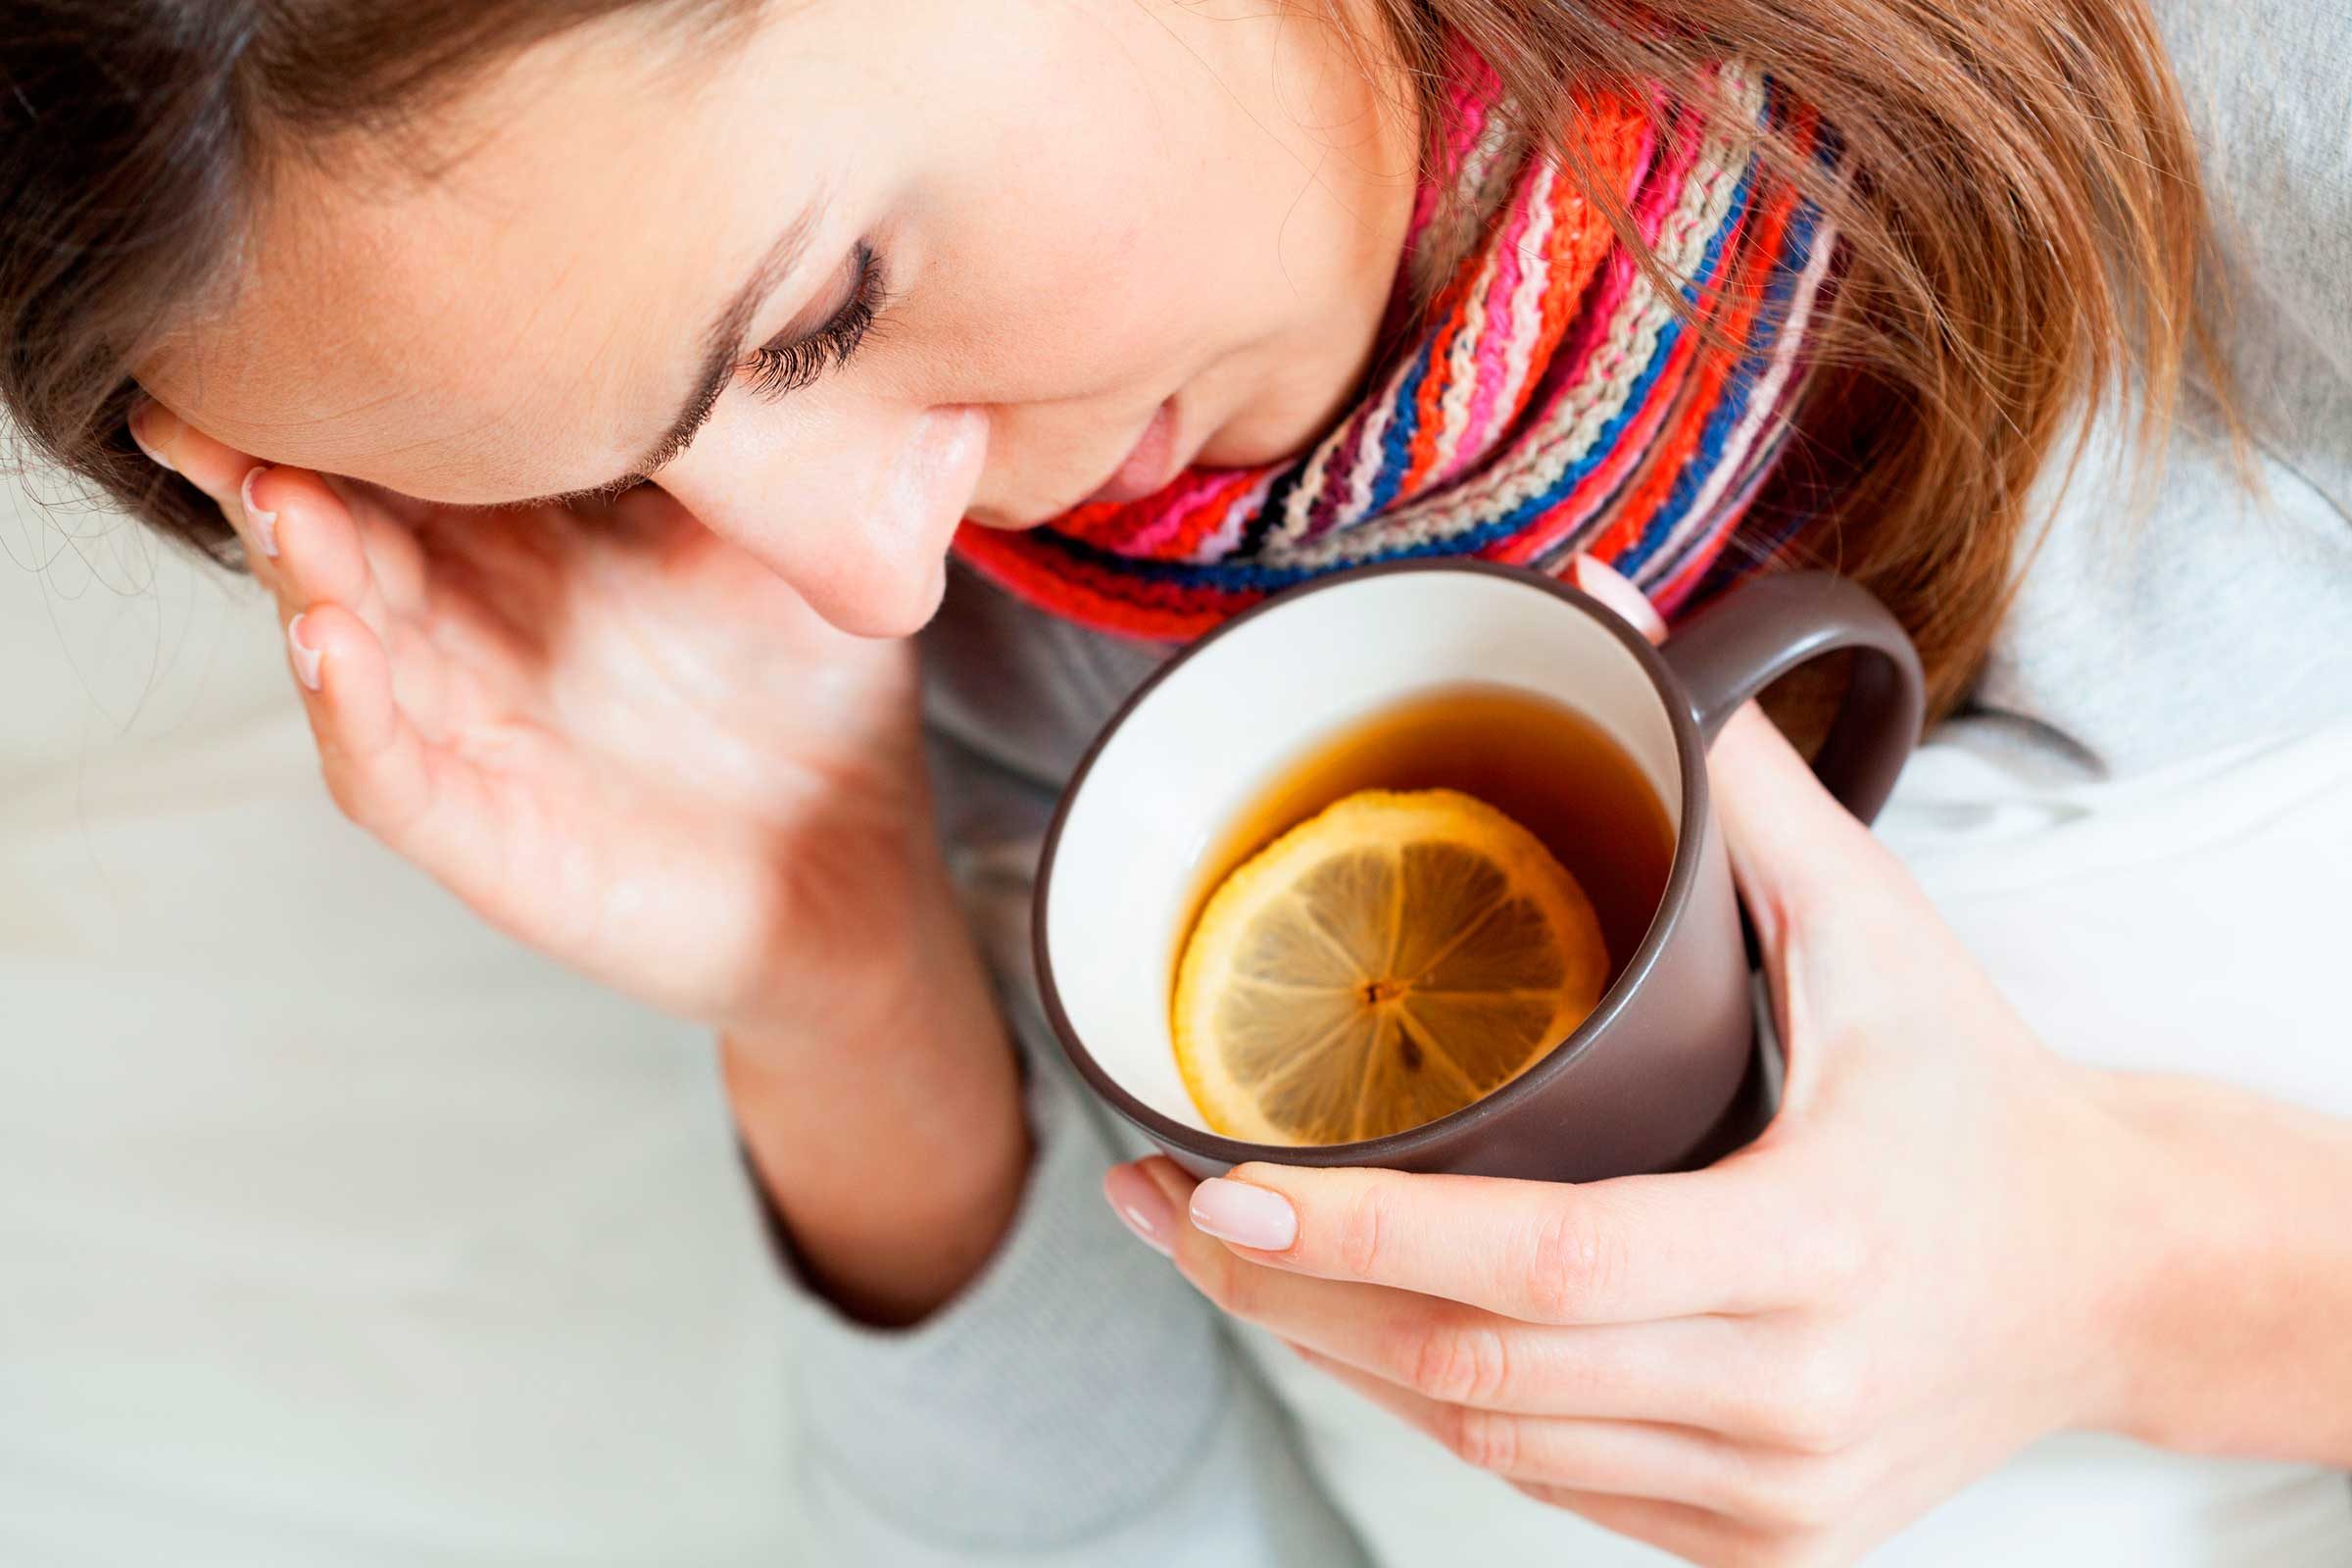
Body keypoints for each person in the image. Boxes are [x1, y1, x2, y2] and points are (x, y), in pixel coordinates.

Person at [4, 1, 2348, 1562]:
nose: (871, 575)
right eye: (622, 475)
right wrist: (845, 982)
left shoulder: (2233, 123)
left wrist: (2140, 1283)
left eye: (819, 308)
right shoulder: (930, 713)